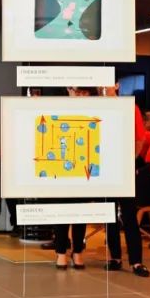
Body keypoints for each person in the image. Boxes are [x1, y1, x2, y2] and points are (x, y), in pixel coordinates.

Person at [101, 83, 150, 277]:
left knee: (129, 213)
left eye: (107, 83)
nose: (103, 87)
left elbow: (140, 139)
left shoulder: (130, 107)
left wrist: (128, 161)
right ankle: (115, 256)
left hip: (124, 167)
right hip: (104, 167)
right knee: (109, 214)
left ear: (116, 85)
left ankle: (136, 261)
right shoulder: (96, 107)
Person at [51, 86, 99, 269]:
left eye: (84, 93)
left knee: (80, 210)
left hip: (85, 165)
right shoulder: (60, 108)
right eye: (77, 92)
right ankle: (61, 252)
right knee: (62, 209)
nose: (80, 96)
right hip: (62, 164)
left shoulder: (94, 111)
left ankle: (77, 251)